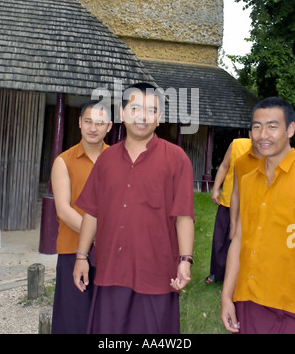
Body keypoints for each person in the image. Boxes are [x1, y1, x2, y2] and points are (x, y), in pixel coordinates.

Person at [73, 82, 195, 334]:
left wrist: (185, 260)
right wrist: (81, 256)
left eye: (151, 110)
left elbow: (184, 216)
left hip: (156, 272)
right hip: (111, 270)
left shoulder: (176, 159)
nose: (143, 117)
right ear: (121, 114)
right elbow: (92, 212)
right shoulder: (106, 160)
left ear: (159, 118)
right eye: (136, 108)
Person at [221, 97, 295, 334]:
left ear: (290, 129)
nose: (263, 134)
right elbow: (239, 241)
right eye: (256, 127)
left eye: (273, 127)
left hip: (289, 303)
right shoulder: (247, 180)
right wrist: (226, 297)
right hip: (249, 299)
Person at [51, 100, 112, 334]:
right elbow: (64, 211)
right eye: (88, 121)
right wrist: (99, 236)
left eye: (99, 123)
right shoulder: (63, 161)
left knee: (108, 318)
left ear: (109, 126)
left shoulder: (120, 160)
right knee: (73, 319)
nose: (93, 128)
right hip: (72, 249)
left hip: (112, 252)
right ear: (79, 123)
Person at [205, 138, 251, 284]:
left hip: (251, 203)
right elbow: (224, 166)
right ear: (250, 132)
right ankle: (216, 274)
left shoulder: (270, 148)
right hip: (228, 199)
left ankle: (241, 277)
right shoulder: (237, 144)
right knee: (221, 238)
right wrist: (215, 189)